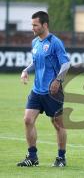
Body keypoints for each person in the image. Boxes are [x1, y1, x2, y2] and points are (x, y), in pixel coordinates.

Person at [17, 11, 70, 167]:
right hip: (37, 90)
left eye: (35, 25)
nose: (32, 27)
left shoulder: (55, 42)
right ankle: (32, 157)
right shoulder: (35, 43)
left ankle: (61, 158)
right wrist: (26, 70)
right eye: (32, 24)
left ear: (44, 25)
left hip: (52, 92)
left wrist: (58, 80)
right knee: (28, 120)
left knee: (58, 124)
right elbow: (35, 62)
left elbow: (66, 64)